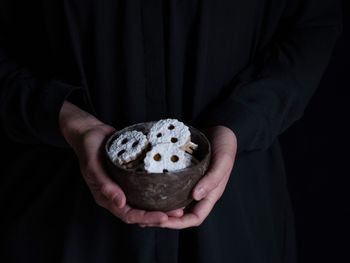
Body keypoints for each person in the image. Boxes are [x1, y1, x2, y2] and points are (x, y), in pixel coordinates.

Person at [0, 0, 342, 262]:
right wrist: (65, 119)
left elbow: (313, 22)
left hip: (234, 216)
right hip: (56, 214)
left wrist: (243, 119)